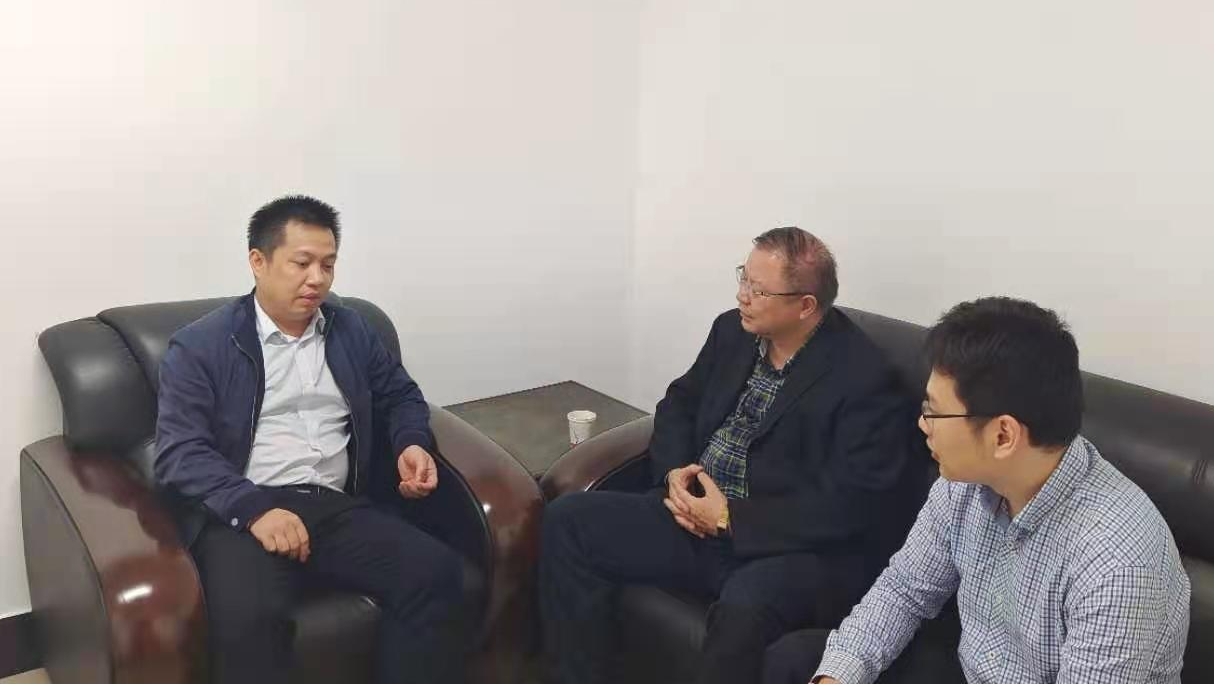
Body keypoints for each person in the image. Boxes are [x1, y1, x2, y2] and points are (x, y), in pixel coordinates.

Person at [540, 227, 928, 682]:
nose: (742, 296)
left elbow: (851, 502)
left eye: (758, 290)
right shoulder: (732, 331)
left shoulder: (863, 378)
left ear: (805, 305)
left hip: (782, 548)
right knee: (569, 521)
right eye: (744, 277)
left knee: (745, 605)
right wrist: (674, 473)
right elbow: (680, 403)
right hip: (693, 517)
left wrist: (730, 519)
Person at [765, 297, 1190, 683]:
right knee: (800, 661)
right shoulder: (965, 482)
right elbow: (905, 589)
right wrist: (837, 677)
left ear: (1003, 435)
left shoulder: (1117, 567)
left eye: (934, 412)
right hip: (971, 670)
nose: (923, 424)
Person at [154, 195, 467, 682]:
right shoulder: (201, 346)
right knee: (249, 620)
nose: (317, 278)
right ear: (258, 261)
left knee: (436, 572)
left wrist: (411, 442)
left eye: (328, 264)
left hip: (334, 506)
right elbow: (180, 450)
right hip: (246, 512)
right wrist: (254, 509)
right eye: (301, 263)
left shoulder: (351, 330)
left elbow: (402, 396)